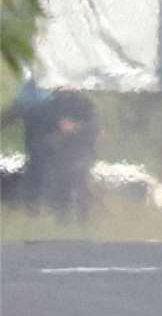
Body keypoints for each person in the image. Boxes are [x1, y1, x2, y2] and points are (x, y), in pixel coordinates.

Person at [6, 81, 101, 220]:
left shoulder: (81, 103)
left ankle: (79, 217)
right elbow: (44, 130)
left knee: (76, 183)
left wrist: (74, 128)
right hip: (54, 152)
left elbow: (94, 127)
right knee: (55, 185)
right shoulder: (50, 103)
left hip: (76, 153)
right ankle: (51, 216)